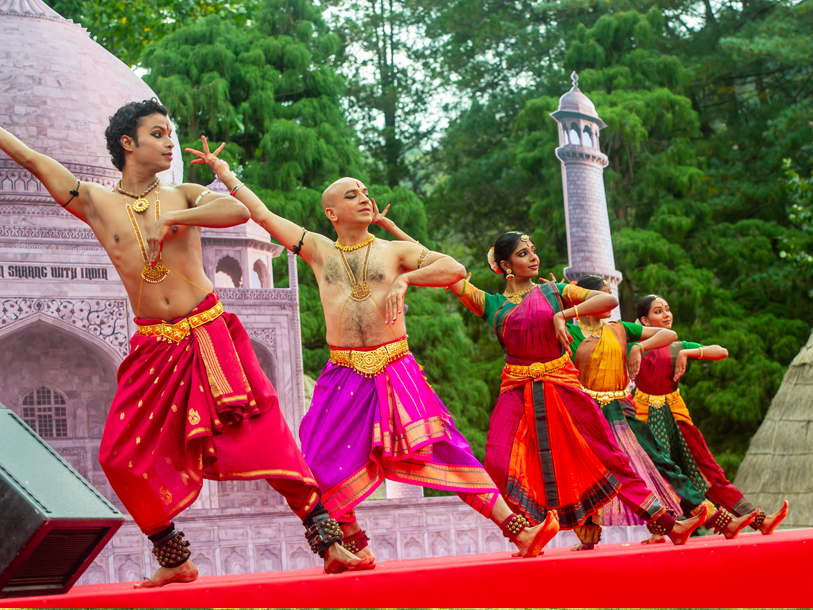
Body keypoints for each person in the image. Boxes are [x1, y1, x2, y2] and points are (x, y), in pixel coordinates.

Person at [0, 99, 369, 587]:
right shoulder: (93, 200)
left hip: (209, 333)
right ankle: (173, 556)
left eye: (169, 133)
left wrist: (174, 221)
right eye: (158, 134)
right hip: (153, 345)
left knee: (265, 438)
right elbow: (30, 158)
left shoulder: (185, 194)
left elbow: (236, 209)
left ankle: (330, 545)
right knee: (117, 454)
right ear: (128, 143)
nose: (169, 141)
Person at [194, 154, 561, 564]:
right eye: (352, 195)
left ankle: (520, 532)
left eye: (366, 192)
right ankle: (355, 547)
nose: (365, 198)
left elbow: (453, 268)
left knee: (445, 447)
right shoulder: (317, 249)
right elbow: (261, 215)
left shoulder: (394, 251)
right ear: (331, 212)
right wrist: (225, 174)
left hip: (395, 368)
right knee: (317, 458)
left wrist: (406, 278)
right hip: (343, 372)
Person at [373, 215, 708, 545]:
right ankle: (525, 531)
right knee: (498, 459)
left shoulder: (555, 292)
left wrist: (565, 313)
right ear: (505, 265)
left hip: (561, 384)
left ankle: (668, 523)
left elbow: (607, 300)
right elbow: (438, 264)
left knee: (606, 455)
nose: (533, 257)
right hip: (516, 388)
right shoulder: (490, 304)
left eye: (533, 250)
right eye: (523, 253)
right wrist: (391, 230)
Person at [569, 275, 756, 545]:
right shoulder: (569, 333)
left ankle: (716, 520)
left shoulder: (619, 329)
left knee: (659, 464)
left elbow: (671, 335)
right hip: (588, 413)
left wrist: (641, 347)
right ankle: (588, 537)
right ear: (585, 299)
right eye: (604, 294)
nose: (613, 299)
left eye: (612, 293)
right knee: (588, 474)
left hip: (622, 410)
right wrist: (560, 301)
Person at [633, 294, 789, 540]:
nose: (666, 314)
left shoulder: (676, 346)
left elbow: (722, 351)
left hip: (675, 417)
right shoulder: (633, 345)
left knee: (708, 473)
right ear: (643, 320)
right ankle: (661, 532)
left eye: (667, 309)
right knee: (657, 476)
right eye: (658, 311)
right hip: (644, 420)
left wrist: (691, 353)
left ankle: (761, 520)